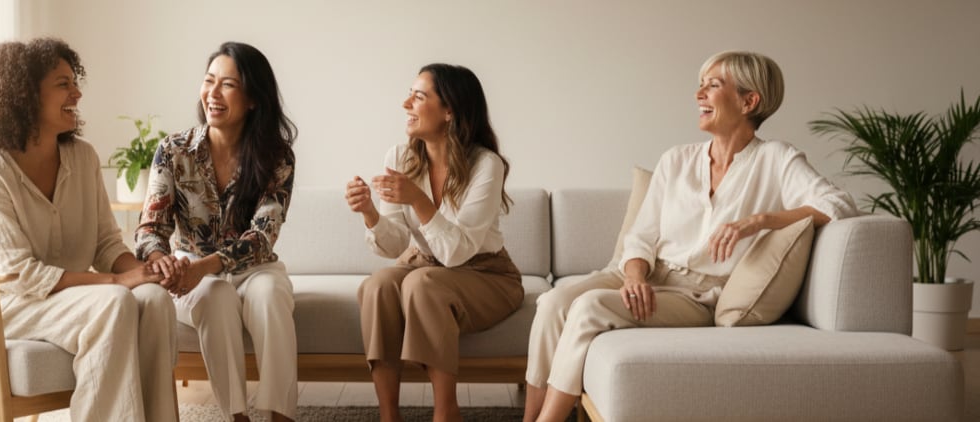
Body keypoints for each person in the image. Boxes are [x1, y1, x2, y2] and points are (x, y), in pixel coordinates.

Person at [521, 51, 860, 422]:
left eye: (713, 86)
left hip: (699, 294)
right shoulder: (676, 160)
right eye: (700, 85)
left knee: (589, 307)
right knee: (554, 302)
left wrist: (758, 221)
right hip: (643, 272)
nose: (699, 94)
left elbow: (839, 203)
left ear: (749, 101)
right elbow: (641, 235)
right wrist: (634, 278)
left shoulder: (776, 159)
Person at [0, 37, 178, 422]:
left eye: (75, 82)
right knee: (115, 302)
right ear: (25, 95)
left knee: (154, 300)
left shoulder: (83, 157)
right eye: (63, 84)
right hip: (4, 304)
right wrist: (114, 283)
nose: (76, 92)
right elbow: (19, 274)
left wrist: (145, 272)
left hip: (69, 297)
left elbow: (106, 243)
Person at [345, 63, 522, 422]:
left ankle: (446, 412)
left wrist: (419, 201)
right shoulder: (400, 157)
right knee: (378, 285)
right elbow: (394, 245)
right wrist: (370, 214)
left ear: (449, 111)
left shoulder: (486, 165)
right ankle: (388, 415)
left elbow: (458, 252)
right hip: (423, 265)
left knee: (422, 284)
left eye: (419, 96)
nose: (405, 103)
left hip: (485, 274)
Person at [135, 41, 298, 422]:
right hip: (191, 266)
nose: (213, 92)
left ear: (254, 98)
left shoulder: (277, 155)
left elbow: (263, 236)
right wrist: (165, 264)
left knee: (272, 295)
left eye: (228, 84)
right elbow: (150, 229)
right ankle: (236, 417)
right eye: (209, 81)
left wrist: (204, 267)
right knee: (217, 296)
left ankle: (281, 415)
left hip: (255, 266)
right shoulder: (173, 150)